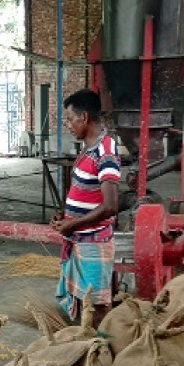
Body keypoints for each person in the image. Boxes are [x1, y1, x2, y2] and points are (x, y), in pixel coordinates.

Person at [50, 89, 120, 327]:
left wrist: (73, 223)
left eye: (70, 119)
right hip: (81, 239)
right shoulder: (89, 148)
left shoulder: (105, 152)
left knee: (99, 305)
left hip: (94, 242)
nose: (68, 125)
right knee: (84, 301)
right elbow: (86, 192)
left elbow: (111, 206)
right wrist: (65, 215)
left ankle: (104, 351)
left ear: (85, 118)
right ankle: (89, 343)